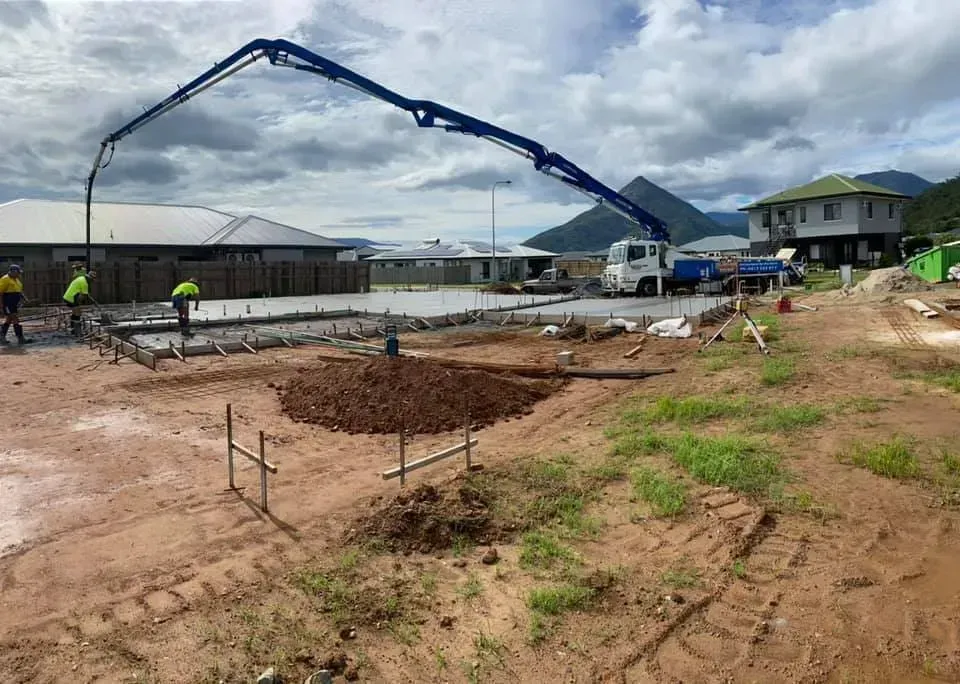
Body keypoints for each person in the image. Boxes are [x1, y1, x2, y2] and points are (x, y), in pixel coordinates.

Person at [0, 264, 31, 345]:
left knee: (9, 319)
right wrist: (1, 306)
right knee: (15, 318)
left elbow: (19, 291)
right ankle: (20, 338)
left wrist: (24, 298)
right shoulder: (5, 279)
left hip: (14, 303)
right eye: (18, 272)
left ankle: (1, 336)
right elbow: (0, 293)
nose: (19, 274)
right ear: (13, 271)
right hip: (7, 302)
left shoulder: (17, 280)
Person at [63, 270, 97, 336]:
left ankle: (73, 330)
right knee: (78, 313)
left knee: (74, 313)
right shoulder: (85, 283)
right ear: (90, 278)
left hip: (67, 296)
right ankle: (78, 332)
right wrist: (93, 302)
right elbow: (84, 296)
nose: (92, 281)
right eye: (92, 280)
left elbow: (86, 294)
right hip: (72, 297)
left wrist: (93, 300)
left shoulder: (81, 278)